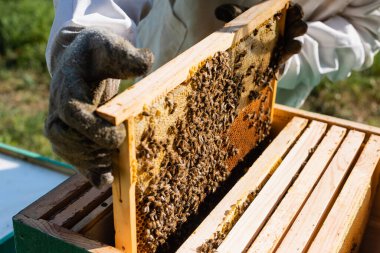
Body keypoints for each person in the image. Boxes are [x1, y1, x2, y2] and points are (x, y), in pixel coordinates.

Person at [45, 0, 380, 187]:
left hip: (267, 98)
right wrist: (81, 34)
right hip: (168, 53)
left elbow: (364, 25)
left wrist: (282, 55)